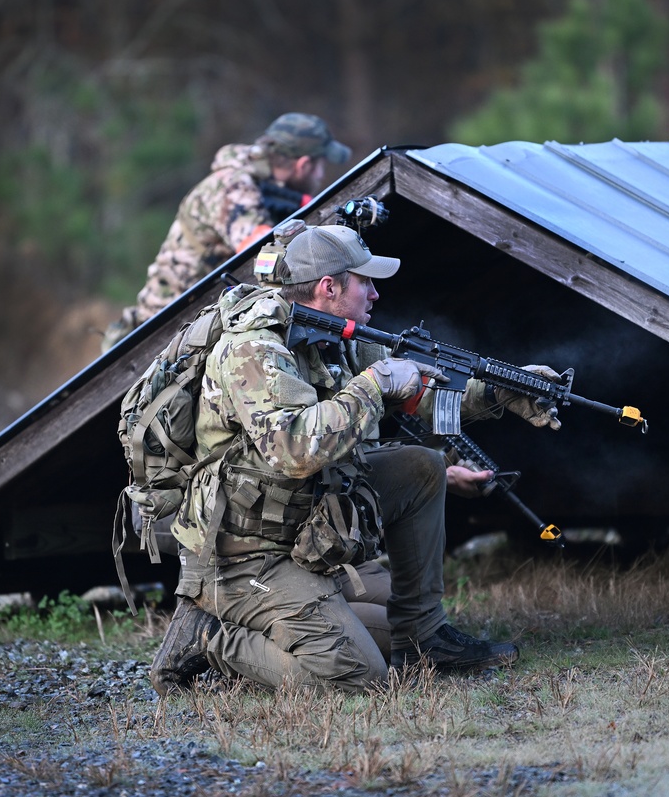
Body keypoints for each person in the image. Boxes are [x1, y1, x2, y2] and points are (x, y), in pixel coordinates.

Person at [148, 224, 563, 695]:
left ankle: (424, 638)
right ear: (329, 287)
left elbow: (425, 396)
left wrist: (503, 390)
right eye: (364, 281)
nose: (376, 293)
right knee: (361, 677)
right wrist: (373, 385)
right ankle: (210, 637)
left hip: (298, 532)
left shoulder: (341, 336)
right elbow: (293, 450)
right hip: (244, 556)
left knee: (421, 467)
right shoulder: (254, 350)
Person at [102, 112, 351, 352]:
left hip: (198, 318)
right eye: (321, 165)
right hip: (164, 329)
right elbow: (264, 255)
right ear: (304, 164)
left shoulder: (264, 185)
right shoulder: (234, 186)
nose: (320, 175)